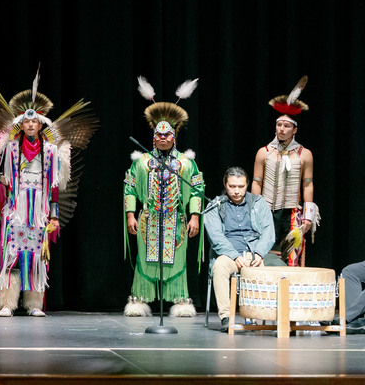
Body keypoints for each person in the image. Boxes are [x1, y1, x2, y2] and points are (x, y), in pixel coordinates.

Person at [0, 74, 97, 317]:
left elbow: (54, 187)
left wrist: (54, 216)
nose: (30, 126)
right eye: (26, 122)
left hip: (38, 212)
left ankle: (34, 304)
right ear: (21, 124)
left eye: (35, 122)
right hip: (16, 210)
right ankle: (7, 303)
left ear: (40, 125)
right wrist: (2, 178)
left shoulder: (50, 151)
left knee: (38, 257)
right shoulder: (10, 148)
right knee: (12, 256)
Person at [123, 77, 205, 317]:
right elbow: (129, 188)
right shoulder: (143, 162)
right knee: (145, 262)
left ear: (174, 137)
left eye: (166, 134)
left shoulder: (186, 163)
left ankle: (180, 301)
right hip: (148, 220)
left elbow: (197, 190)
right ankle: (139, 300)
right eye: (158, 135)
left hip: (176, 221)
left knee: (177, 262)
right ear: (153, 137)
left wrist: (194, 217)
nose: (162, 138)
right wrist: (130, 215)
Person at [202, 167, 283, 332]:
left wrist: (259, 253)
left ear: (247, 186)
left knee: (281, 270)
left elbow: (268, 232)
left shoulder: (258, 203)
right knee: (220, 266)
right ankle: (226, 317)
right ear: (225, 185)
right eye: (232, 186)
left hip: (255, 254)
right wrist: (233, 255)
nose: (236, 191)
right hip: (229, 255)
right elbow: (215, 236)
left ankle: (284, 317)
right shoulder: (215, 205)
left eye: (241, 186)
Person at [251, 76, 318, 266]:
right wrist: (256, 210)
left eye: (286, 126)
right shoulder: (264, 153)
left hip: (292, 213)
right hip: (267, 210)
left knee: (292, 257)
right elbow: (256, 182)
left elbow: (308, 184)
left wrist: (308, 216)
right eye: (279, 125)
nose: (281, 129)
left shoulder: (304, 154)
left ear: (294, 130)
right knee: (264, 254)